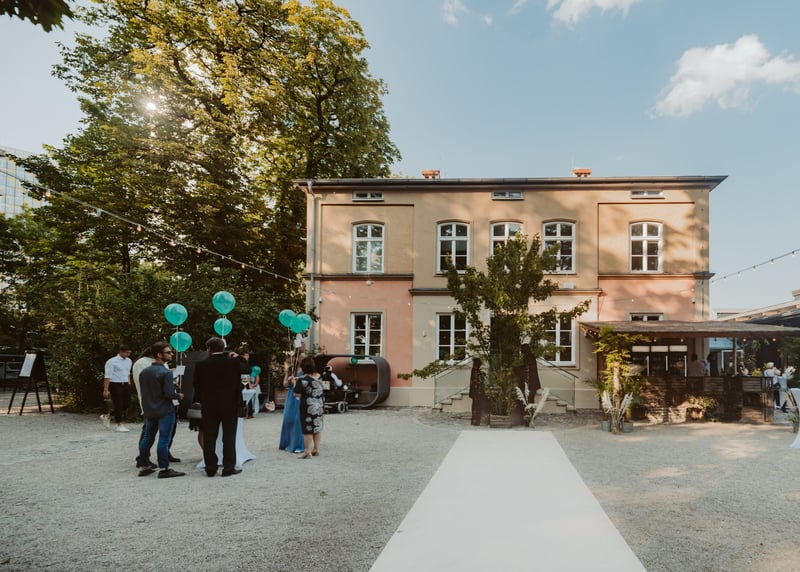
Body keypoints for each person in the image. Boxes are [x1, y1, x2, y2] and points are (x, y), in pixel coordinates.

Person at [193, 337, 243, 477]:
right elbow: (247, 369)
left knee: (209, 437)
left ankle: (210, 467)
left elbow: (196, 385)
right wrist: (237, 357)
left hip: (209, 405)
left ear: (209, 349)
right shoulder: (233, 362)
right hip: (230, 405)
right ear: (223, 348)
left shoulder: (201, 365)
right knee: (229, 437)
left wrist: (200, 400)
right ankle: (228, 467)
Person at [137, 342, 185, 478]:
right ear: (159, 355)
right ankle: (164, 468)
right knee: (164, 439)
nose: (171, 354)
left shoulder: (144, 372)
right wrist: (178, 395)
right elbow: (168, 394)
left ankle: (144, 465)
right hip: (165, 410)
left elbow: (149, 390)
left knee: (147, 437)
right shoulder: (165, 372)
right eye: (168, 352)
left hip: (150, 409)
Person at [289, 356, 324, 459]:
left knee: (308, 428)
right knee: (317, 427)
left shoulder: (302, 380)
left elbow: (297, 394)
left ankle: (307, 452)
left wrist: (294, 383)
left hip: (308, 407)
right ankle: (316, 449)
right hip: (319, 406)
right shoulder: (319, 377)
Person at [102, 344, 133, 432]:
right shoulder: (111, 361)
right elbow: (107, 376)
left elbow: (128, 372)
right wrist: (106, 389)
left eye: (129, 353)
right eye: (127, 352)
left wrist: (129, 383)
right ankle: (119, 424)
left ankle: (108, 416)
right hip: (115, 384)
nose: (128, 354)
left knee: (126, 404)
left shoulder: (129, 361)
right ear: (121, 351)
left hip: (125, 383)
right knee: (118, 404)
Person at [279, 350, 305, 454]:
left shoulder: (305, 370)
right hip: (291, 395)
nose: (302, 359)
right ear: (296, 358)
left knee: (297, 419)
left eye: (304, 357)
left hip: (300, 395)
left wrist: (297, 381)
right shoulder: (291, 369)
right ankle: (286, 442)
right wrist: (288, 379)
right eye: (301, 357)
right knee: (288, 418)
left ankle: (298, 444)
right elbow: (285, 384)